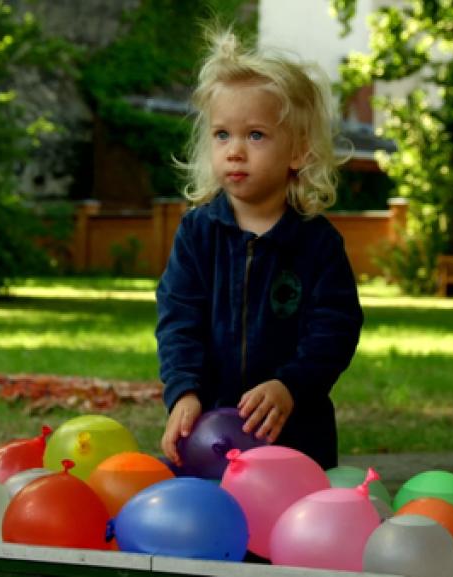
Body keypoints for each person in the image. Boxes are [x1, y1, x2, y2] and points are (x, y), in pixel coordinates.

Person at [156, 28, 364, 471]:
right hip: (207, 434)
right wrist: (184, 392)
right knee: (209, 531)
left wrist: (290, 386)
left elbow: (335, 330)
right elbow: (178, 322)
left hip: (293, 433)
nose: (234, 151)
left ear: (299, 151)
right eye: (221, 135)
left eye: (255, 136)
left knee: (287, 535)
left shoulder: (317, 243)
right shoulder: (197, 234)